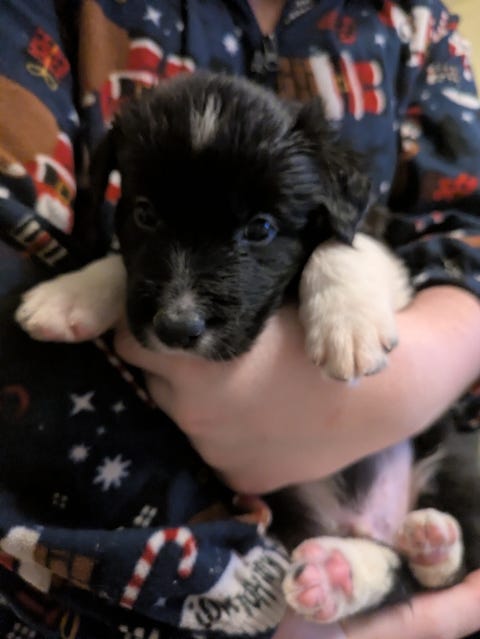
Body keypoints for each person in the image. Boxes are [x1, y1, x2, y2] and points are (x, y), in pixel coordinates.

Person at [0, 1, 480, 638]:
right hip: (238, 557)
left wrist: (417, 365)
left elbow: (435, 235)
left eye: (255, 230)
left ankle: (385, 567)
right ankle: (370, 570)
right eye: (146, 216)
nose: (180, 307)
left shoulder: (416, 30)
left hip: (418, 471)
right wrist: (113, 278)